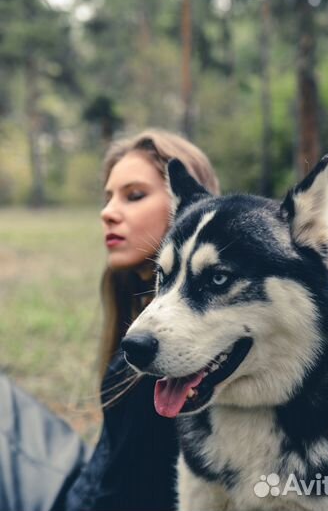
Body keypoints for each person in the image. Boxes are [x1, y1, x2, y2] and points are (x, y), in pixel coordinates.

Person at [65, 129, 220, 511]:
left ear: (188, 205)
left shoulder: (163, 358)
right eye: (108, 197)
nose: (107, 212)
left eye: (134, 196)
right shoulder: (143, 324)